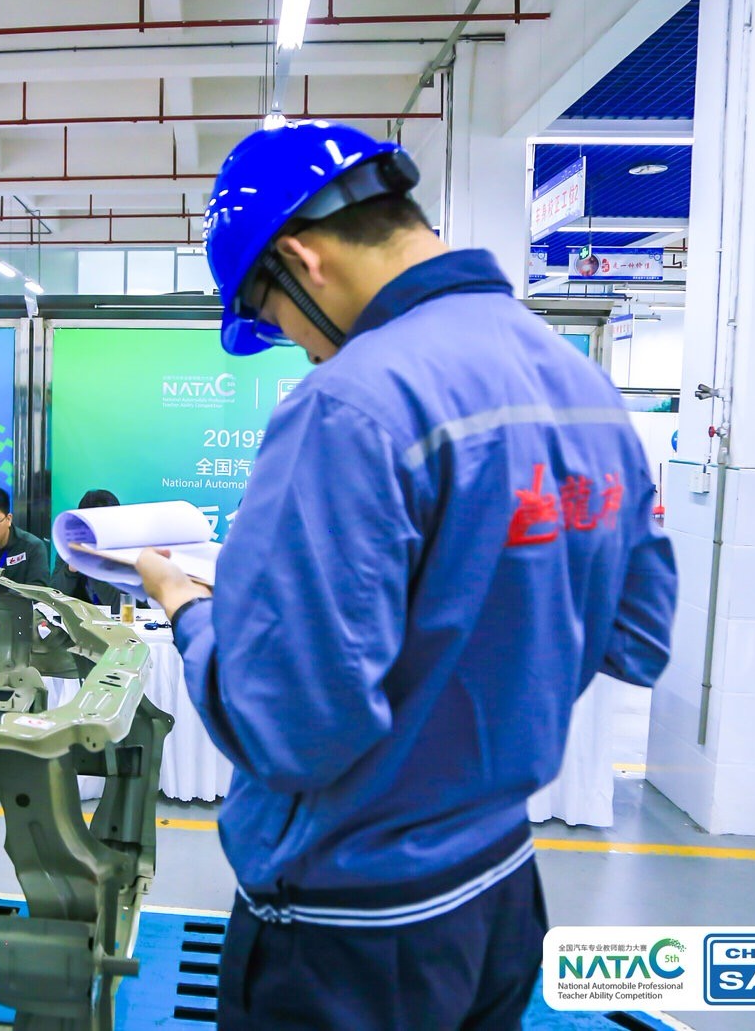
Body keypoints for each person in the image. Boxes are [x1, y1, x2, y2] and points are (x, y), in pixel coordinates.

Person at [135, 121, 677, 1030]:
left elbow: (290, 729)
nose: (300, 348)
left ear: (302, 261)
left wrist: (189, 609)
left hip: (350, 931)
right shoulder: (577, 382)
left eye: (272, 321)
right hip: (500, 890)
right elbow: (639, 637)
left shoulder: (349, 405)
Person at [52, 488, 123, 611]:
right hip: (80, 621)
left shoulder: (127, 552)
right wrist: (70, 570)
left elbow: (120, 607)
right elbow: (53, 601)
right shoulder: (69, 549)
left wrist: (93, 565)